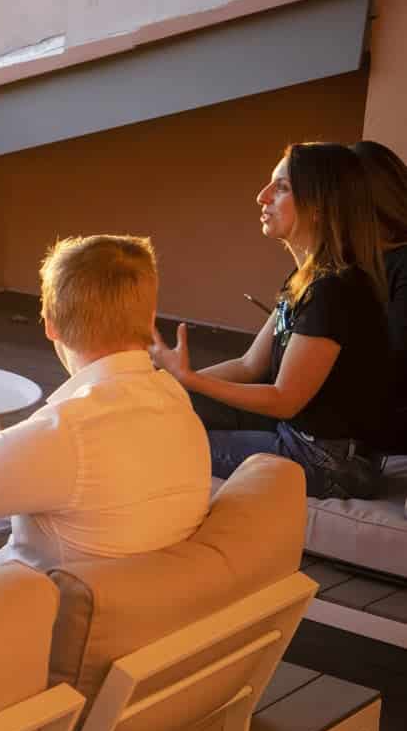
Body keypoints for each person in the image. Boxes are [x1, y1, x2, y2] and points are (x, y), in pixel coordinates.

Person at [0, 234, 212, 592]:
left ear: (49, 322)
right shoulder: (175, 400)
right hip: (127, 606)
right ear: (150, 320)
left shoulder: (65, 432)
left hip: (16, 609)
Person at [150, 141, 392, 495]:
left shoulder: (336, 291)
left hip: (328, 460)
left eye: (281, 188)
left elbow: (284, 398)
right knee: (162, 408)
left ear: (320, 207)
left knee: (166, 439)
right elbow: (249, 365)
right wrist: (168, 385)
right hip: (293, 431)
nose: (262, 197)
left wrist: (190, 378)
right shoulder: (306, 279)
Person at [356, 137, 407, 444]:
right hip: (333, 407)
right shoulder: (353, 262)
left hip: (375, 422)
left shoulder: (401, 264)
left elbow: (395, 361)